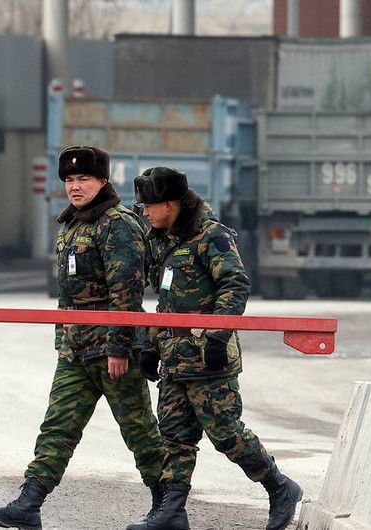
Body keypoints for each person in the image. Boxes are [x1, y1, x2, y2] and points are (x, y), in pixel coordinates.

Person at [0, 146, 165, 530]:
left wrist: (119, 347)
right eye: (69, 180)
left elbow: (126, 292)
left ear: (102, 181)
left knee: (140, 432)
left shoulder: (118, 224)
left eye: (83, 179)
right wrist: (64, 338)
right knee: (58, 425)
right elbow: (69, 294)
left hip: (114, 352)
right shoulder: (72, 223)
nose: (75, 187)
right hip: (76, 350)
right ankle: (28, 504)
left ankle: (167, 508)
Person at [128, 167, 302, 530]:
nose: (144, 211)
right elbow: (161, 302)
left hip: (210, 358)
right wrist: (148, 345)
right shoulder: (160, 238)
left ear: (171, 204)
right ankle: (172, 511)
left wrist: (219, 336)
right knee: (173, 437)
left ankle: (280, 488)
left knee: (226, 434)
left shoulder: (212, 236)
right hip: (175, 361)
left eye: (150, 205)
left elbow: (235, 284)